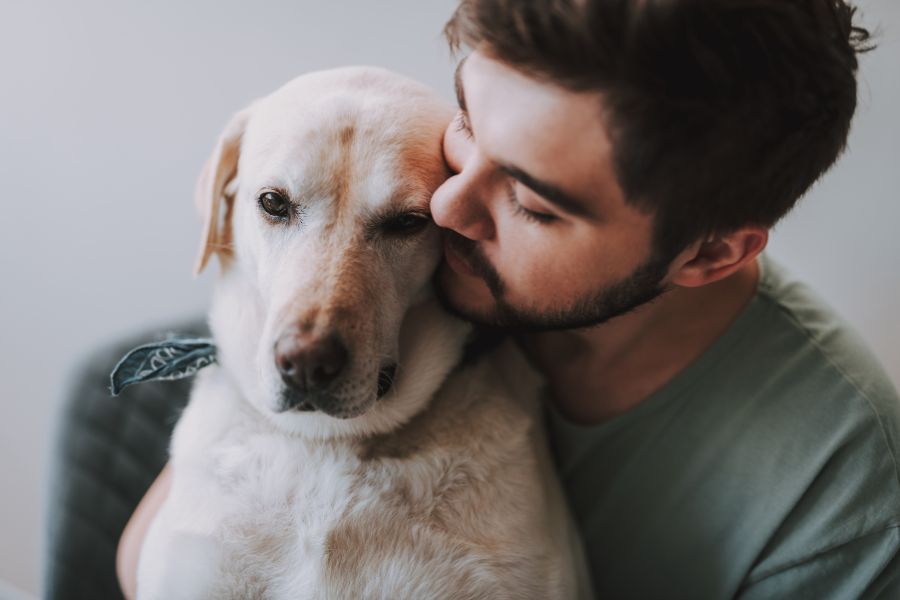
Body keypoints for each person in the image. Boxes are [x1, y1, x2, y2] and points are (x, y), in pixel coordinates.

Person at [119, 1, 900, 598]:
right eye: (467, 123)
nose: (449, 204)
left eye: (532, 201)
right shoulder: (419, 292)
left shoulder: (837, 483)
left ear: (707, 253)